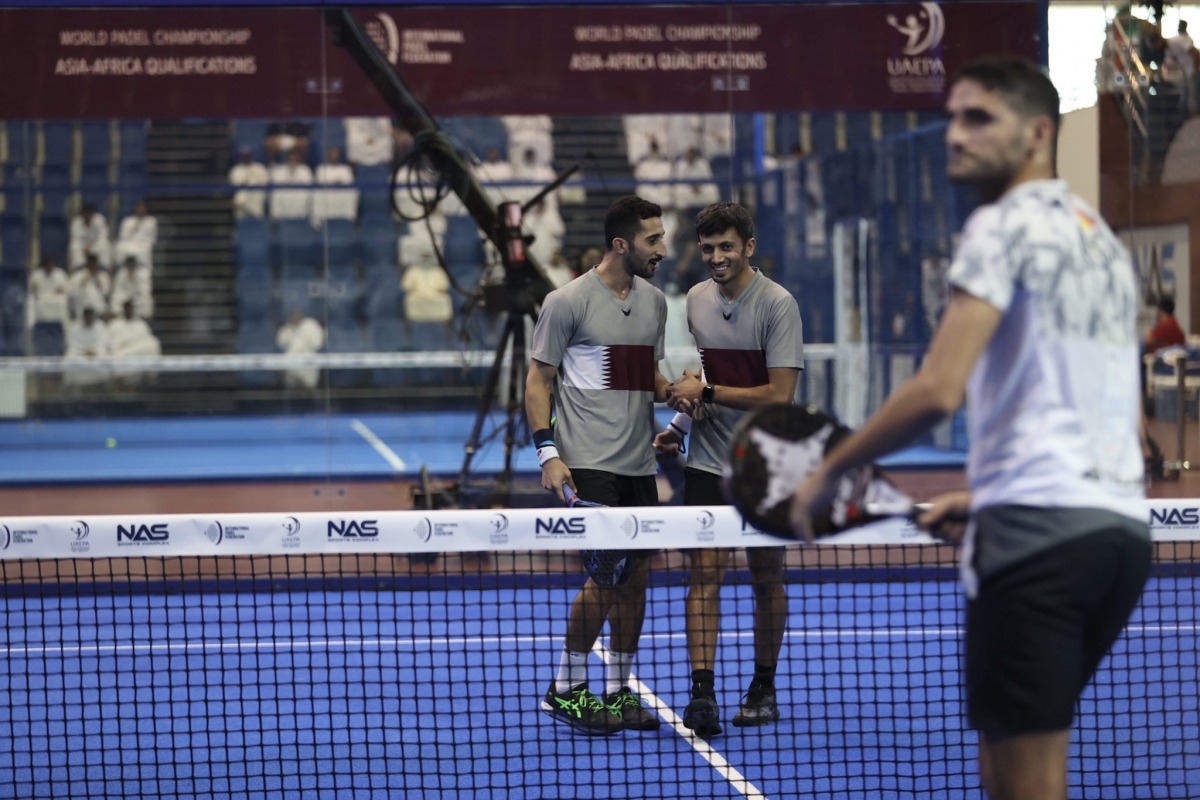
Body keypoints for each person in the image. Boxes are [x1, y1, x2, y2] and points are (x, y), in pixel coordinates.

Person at [789, 57, 1150, 800]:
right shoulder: (1100, 241)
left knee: (1025, 784)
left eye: (979, 118)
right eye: (953, 117)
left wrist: (831, 469)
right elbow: (1103, 407)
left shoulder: (1000, 225)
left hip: (1036, 541)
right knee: (1008, 768)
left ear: (1038, 133)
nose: (955, 136)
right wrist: (987, 497)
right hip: (1117, 538)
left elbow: (937, 389)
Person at [652, 202, 803, 738]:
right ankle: (702, 694)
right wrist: (679, 423)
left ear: (749, 246)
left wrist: (708, 391)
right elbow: (705, 377)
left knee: (766, 577)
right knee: (704, 576)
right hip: (707, 463)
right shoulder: (694, 300)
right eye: (709, 248)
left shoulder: (779, 305)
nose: (717, 257)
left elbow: (779, 394)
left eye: (727, 247)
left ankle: (763, 688)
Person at [526, 195, 671, 736]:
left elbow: (642, 372)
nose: (663, 248)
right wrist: (549, 453)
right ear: (621, 244)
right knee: (605, 577)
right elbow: (538, 379)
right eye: (653, 239)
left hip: (639, 463)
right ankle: (567, 687)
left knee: (636, 582)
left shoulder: (655, 303)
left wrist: (675, 392)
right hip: (588, 462)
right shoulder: (566, 301)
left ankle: (617, 690)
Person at [276, 307, 325, 390]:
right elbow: (280, 344)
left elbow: (318, 345)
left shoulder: (311, 325)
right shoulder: (286, 328)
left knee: (309, 394)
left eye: (297, 312)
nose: (295, 315)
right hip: (291, 371)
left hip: (308, 370)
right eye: (292, 313)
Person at [114, 200, 157, 272]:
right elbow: (123, 236)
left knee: (145, 249)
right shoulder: (127, 221)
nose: (141, 209)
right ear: (136, 208)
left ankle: (142, 267)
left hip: (143, 245)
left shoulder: (151, 221)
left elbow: (152, 239)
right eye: (139, 207)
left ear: (146, 209)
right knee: (119, 246)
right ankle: (121, 267)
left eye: (143, 207)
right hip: (129, 243)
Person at [229, 146, 270, 219]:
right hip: (242, 204)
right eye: (243, 156)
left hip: (256, 198)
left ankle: (239, 201)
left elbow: (265, 182)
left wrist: (250, 181)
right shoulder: (236, 170)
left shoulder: (259, 167)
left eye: (247, 155)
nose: (245, 157)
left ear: (250, 155)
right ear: (240, 157)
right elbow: (236, 185)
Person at [68, 202, 111, 270]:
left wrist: (90, 246)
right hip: (82, 245)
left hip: (96, 245)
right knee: (74, 246)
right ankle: (79, 267)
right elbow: (76, 238)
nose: (87, 216)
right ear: (82, 214)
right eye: (85, 214)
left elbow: (103, 236)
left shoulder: (100, 220)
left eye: (89, 213)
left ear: (93, 214)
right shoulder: (76, 222)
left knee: (105, 244)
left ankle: (103, 267)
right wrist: (84, 247)